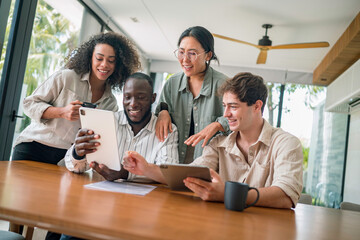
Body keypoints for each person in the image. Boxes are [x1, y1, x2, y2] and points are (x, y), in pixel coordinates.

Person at [123, 72, 303, 209]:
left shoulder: (286, 144)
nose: (225, 115)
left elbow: (286, 196)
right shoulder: (218, 144)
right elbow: (187, 175)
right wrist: (146, 168)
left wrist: (229, 194)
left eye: (233, 107)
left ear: (257, 106)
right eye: (225, 106)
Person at [12, 32, 141, 166]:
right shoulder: (66, 77)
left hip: (66, 159)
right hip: (34, 147)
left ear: (118, 64)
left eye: (111, 60)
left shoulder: (111, 103)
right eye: (99, 58)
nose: (104, 65)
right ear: (90, 58)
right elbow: (29, 104)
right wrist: (62, 112)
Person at [64, 72, 179, 182]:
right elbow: (75, 167)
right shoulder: (106, 122)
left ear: (153, 98)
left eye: (141, 97)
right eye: (127, 97)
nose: (133, 103)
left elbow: (169, 175)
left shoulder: (168, 130)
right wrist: (77, 153)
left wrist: (125, 173)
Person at [155, 26, 229, 164]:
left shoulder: (224, 84)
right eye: (181, 52)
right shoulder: (171, 83)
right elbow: (160, 111)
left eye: (192, 54)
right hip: (173, 159)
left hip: (210, 162)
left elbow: (237, 119)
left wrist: (218, 125)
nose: (185, 60)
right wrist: (163, 111)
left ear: (208, 55)